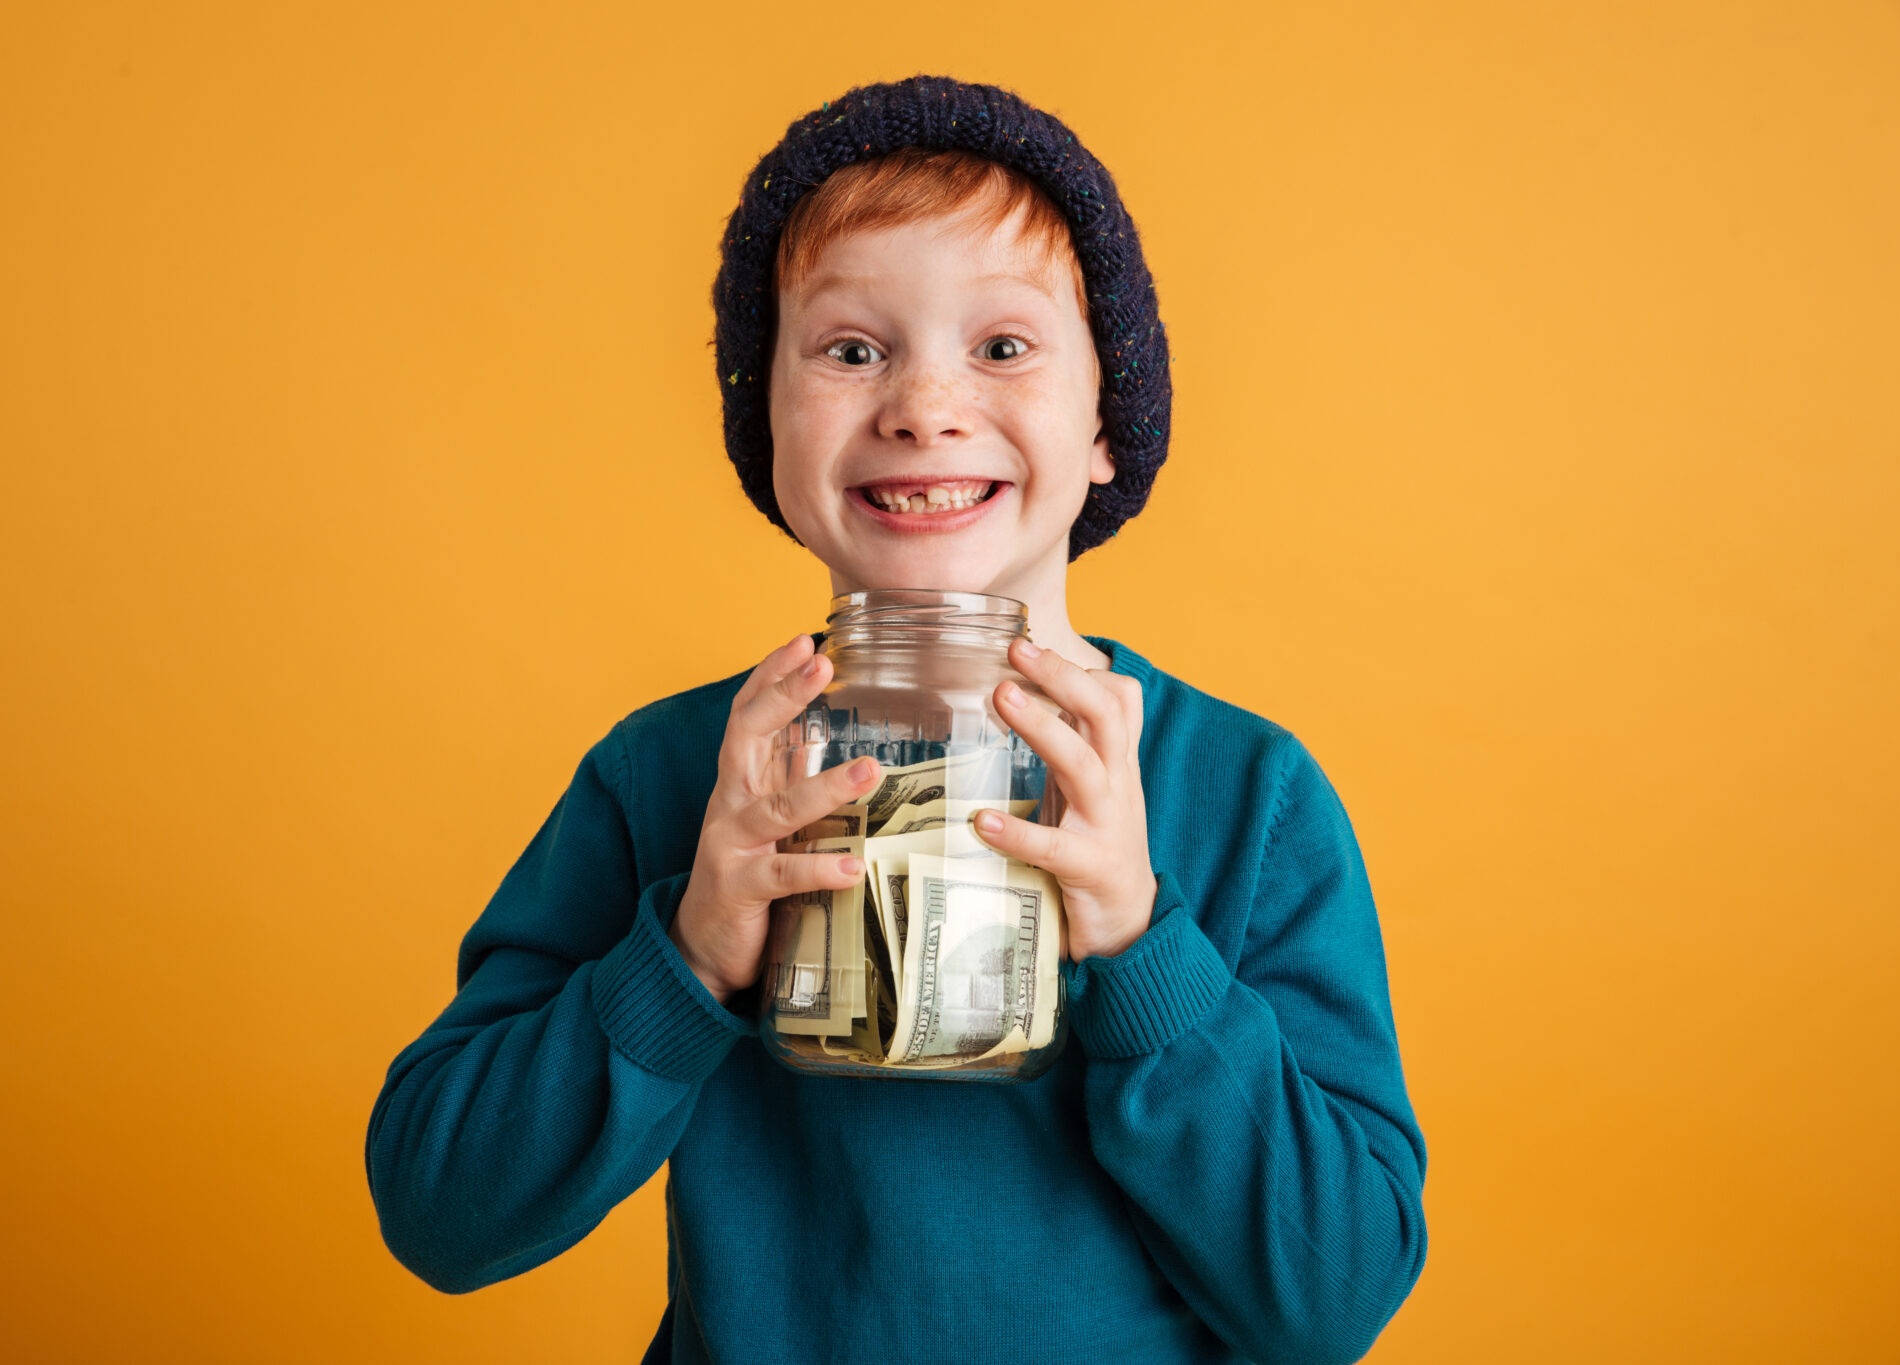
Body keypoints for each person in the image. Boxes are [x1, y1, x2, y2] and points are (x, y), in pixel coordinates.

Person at [366, 74, 1428, 1365]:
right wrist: (691, 952)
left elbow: (1336, 1293)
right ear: (769, 421)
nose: (924, 404)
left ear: (1108, 423)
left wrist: (1143, 945)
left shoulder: (1246, 796)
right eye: (853, 348)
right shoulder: (671, 779)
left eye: (1004, 346)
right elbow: (440, 1211)